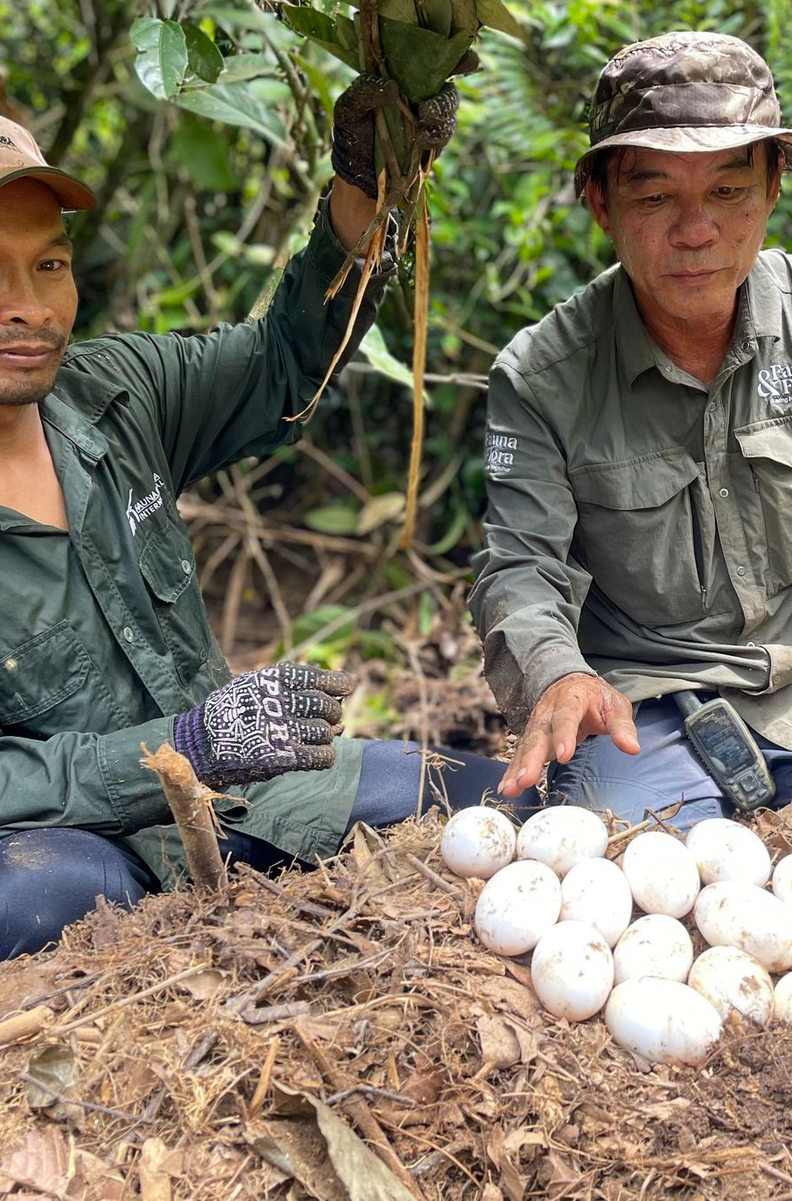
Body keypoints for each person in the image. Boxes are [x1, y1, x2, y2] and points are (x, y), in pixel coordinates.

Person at [0, 89, 529, 960]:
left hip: (243, 799)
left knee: (496, 802)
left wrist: (365, 188)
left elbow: (283, 364)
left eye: (49, 266)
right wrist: (185, 744)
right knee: (22, 906)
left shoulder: (119, 394)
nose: (28, 306)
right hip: (76, 847)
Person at [469, 31, 792, 858]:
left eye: (727, 191)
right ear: (600, 202)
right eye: (653, 198)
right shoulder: (543, 374)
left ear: (773, 189)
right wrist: (558, 674)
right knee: (623, 874)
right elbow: (521, 568)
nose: (695, 230)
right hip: (638, 699)